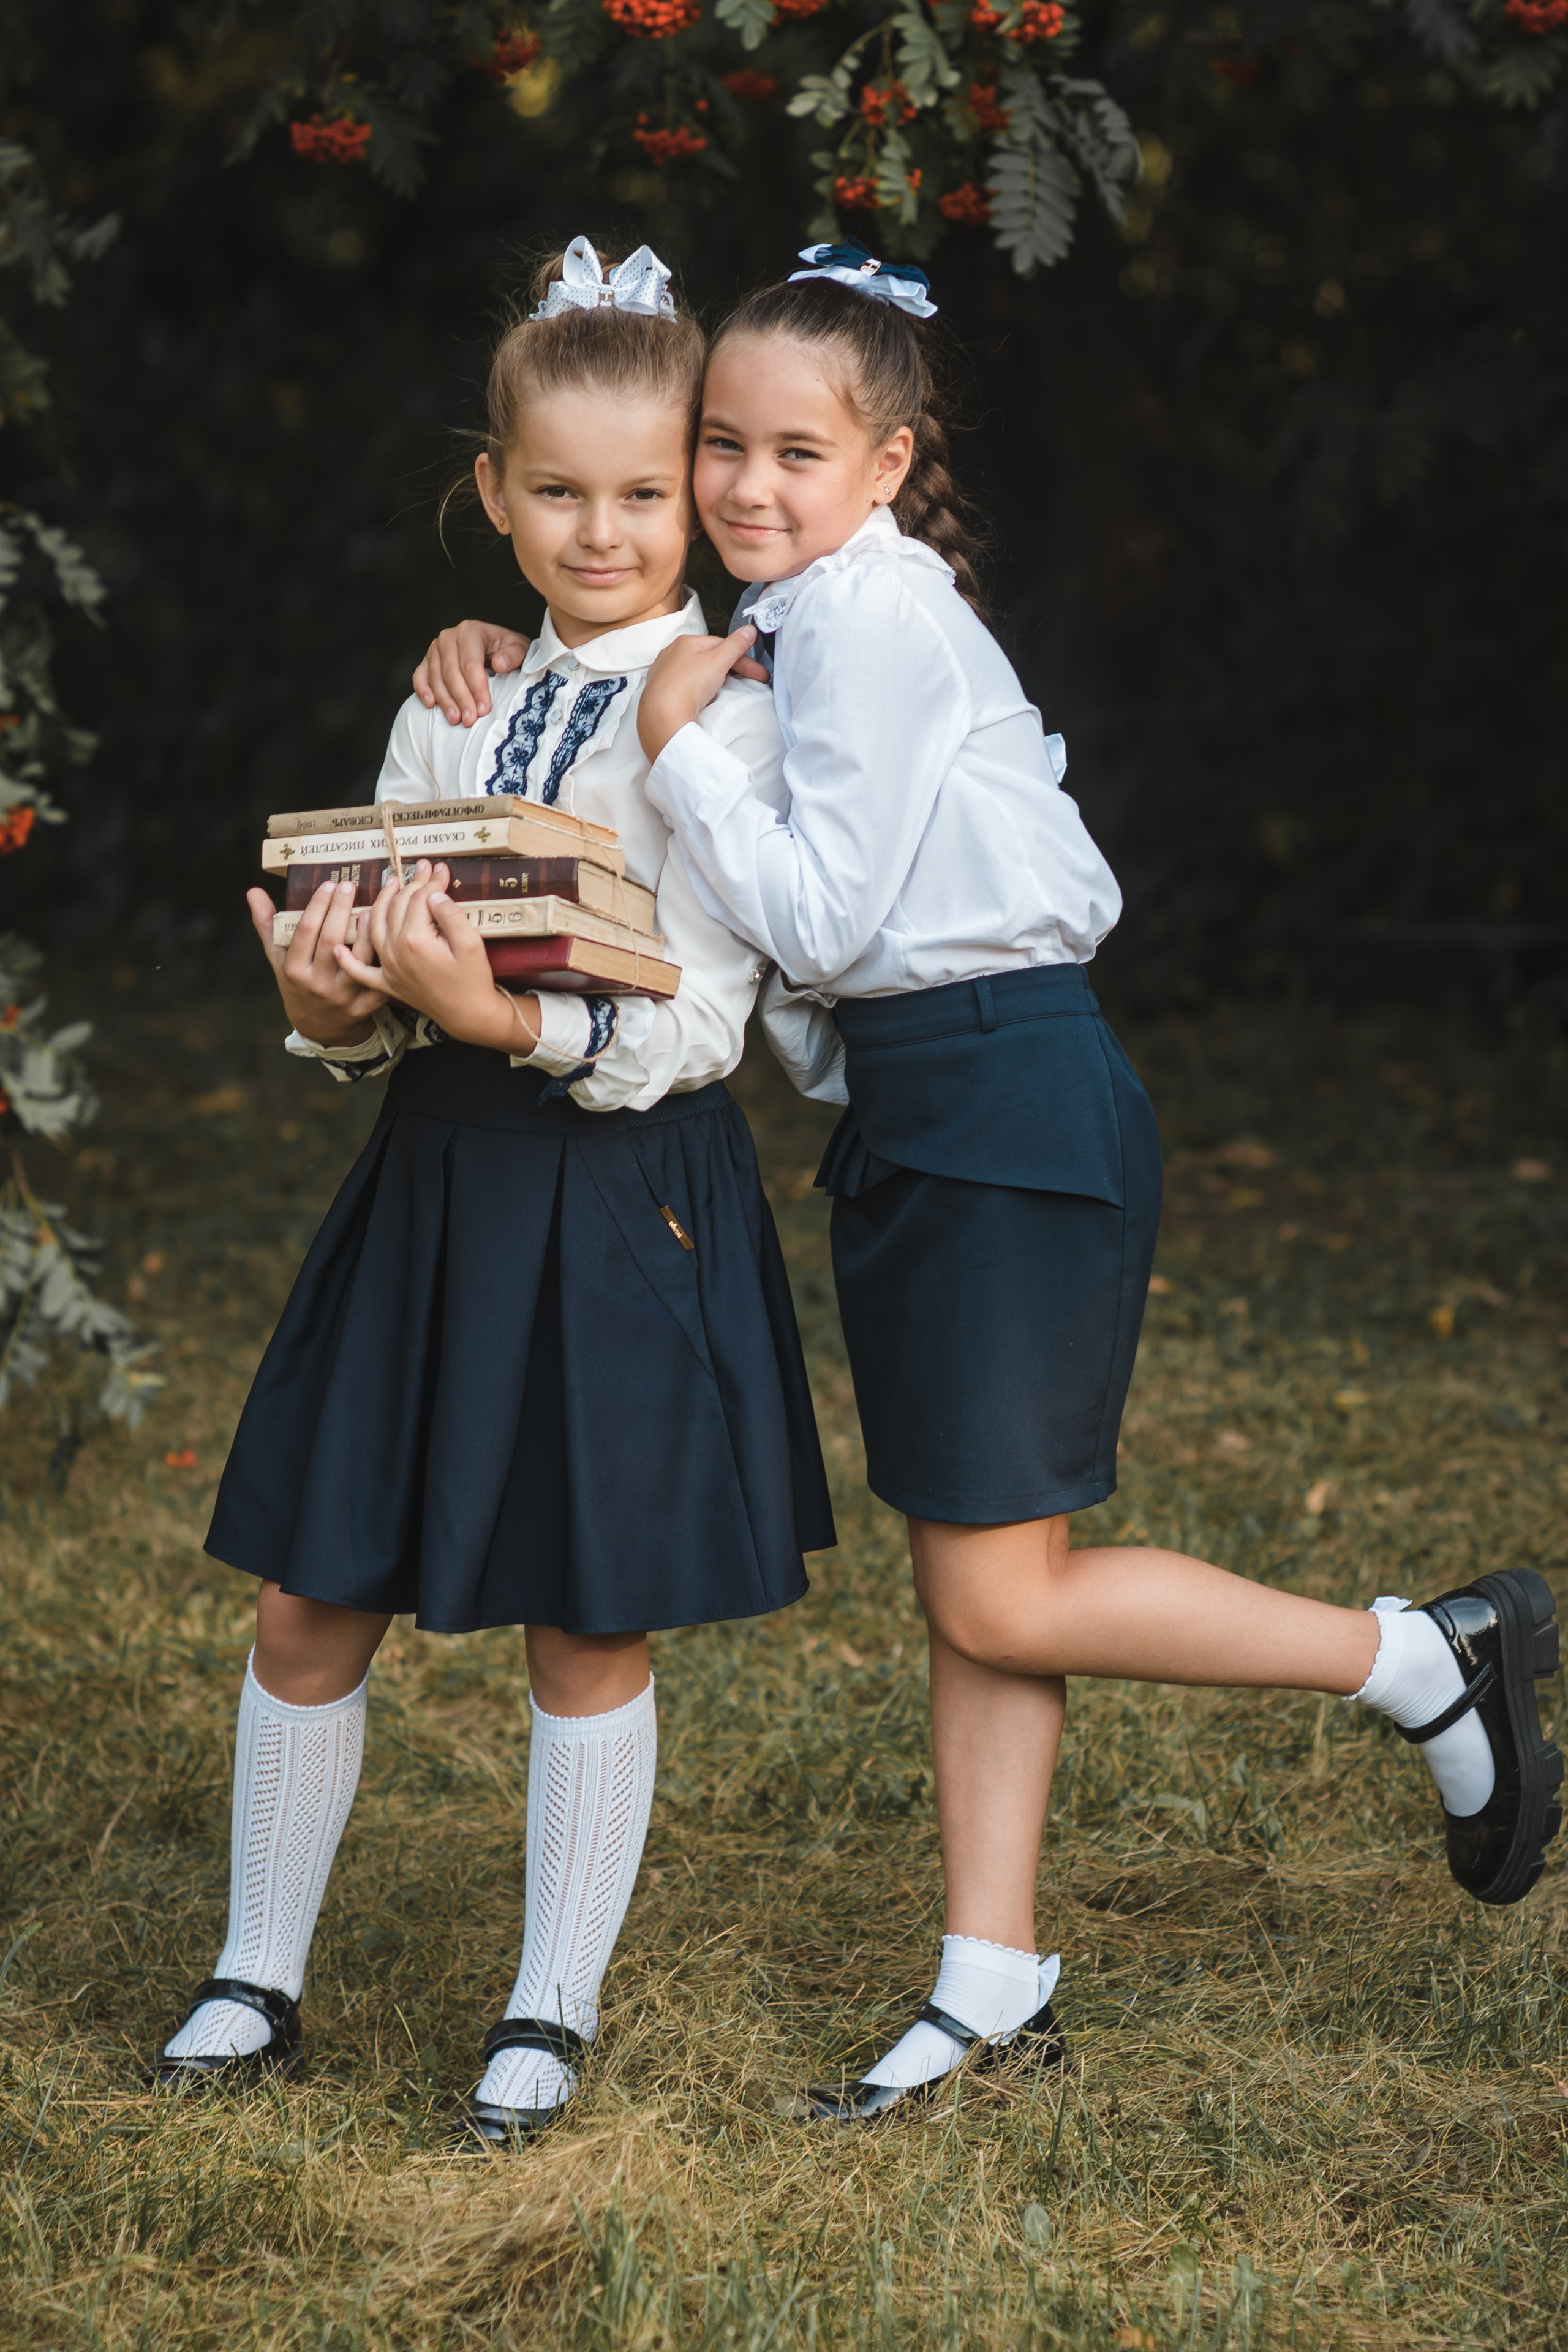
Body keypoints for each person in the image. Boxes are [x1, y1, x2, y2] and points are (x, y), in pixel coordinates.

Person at [409, 243, 1562, 2126]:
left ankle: (1425, 1658)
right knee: (982, 1583)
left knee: (1010, 1596)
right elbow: (791, 943)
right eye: (722, 445)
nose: (744, 488)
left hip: (1011, 1100)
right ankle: (990, 1977)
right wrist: (500, 662)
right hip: (925, 1109)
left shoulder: (865, 620)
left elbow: (823, 913)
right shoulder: (792, 621)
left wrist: (684, 751)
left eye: (798, 450)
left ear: (886, 460)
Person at [153, 239, 835, 2147]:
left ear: (695, 483)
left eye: (640, 492)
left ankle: (549, 2007)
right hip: (438, 1177)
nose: (601, 531)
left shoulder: (722, 702)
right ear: (494, 495)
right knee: (313, 1587)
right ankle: (252, 1972)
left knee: (581, 1612)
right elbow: (378, 972)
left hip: (620, 1183)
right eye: (558, 492)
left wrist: (518, 1030)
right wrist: (335, 1005)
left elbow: (710, 1014)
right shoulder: (452, 697)